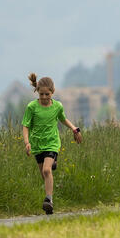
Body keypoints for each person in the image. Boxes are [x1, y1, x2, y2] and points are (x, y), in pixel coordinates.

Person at [21, 73, 81, 215]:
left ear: (52, 92)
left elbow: (63, 119)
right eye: (41, 94)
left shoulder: (57, 106)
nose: (44, 97)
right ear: (37, 92)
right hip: (37, 144)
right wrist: (27, 142)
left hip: (52, 143)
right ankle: (50, 195)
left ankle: (49, 200)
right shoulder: (32, 107)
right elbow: (25, 125)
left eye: (47, 94)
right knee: (44, 174)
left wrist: (74, 129)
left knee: (47, 171)